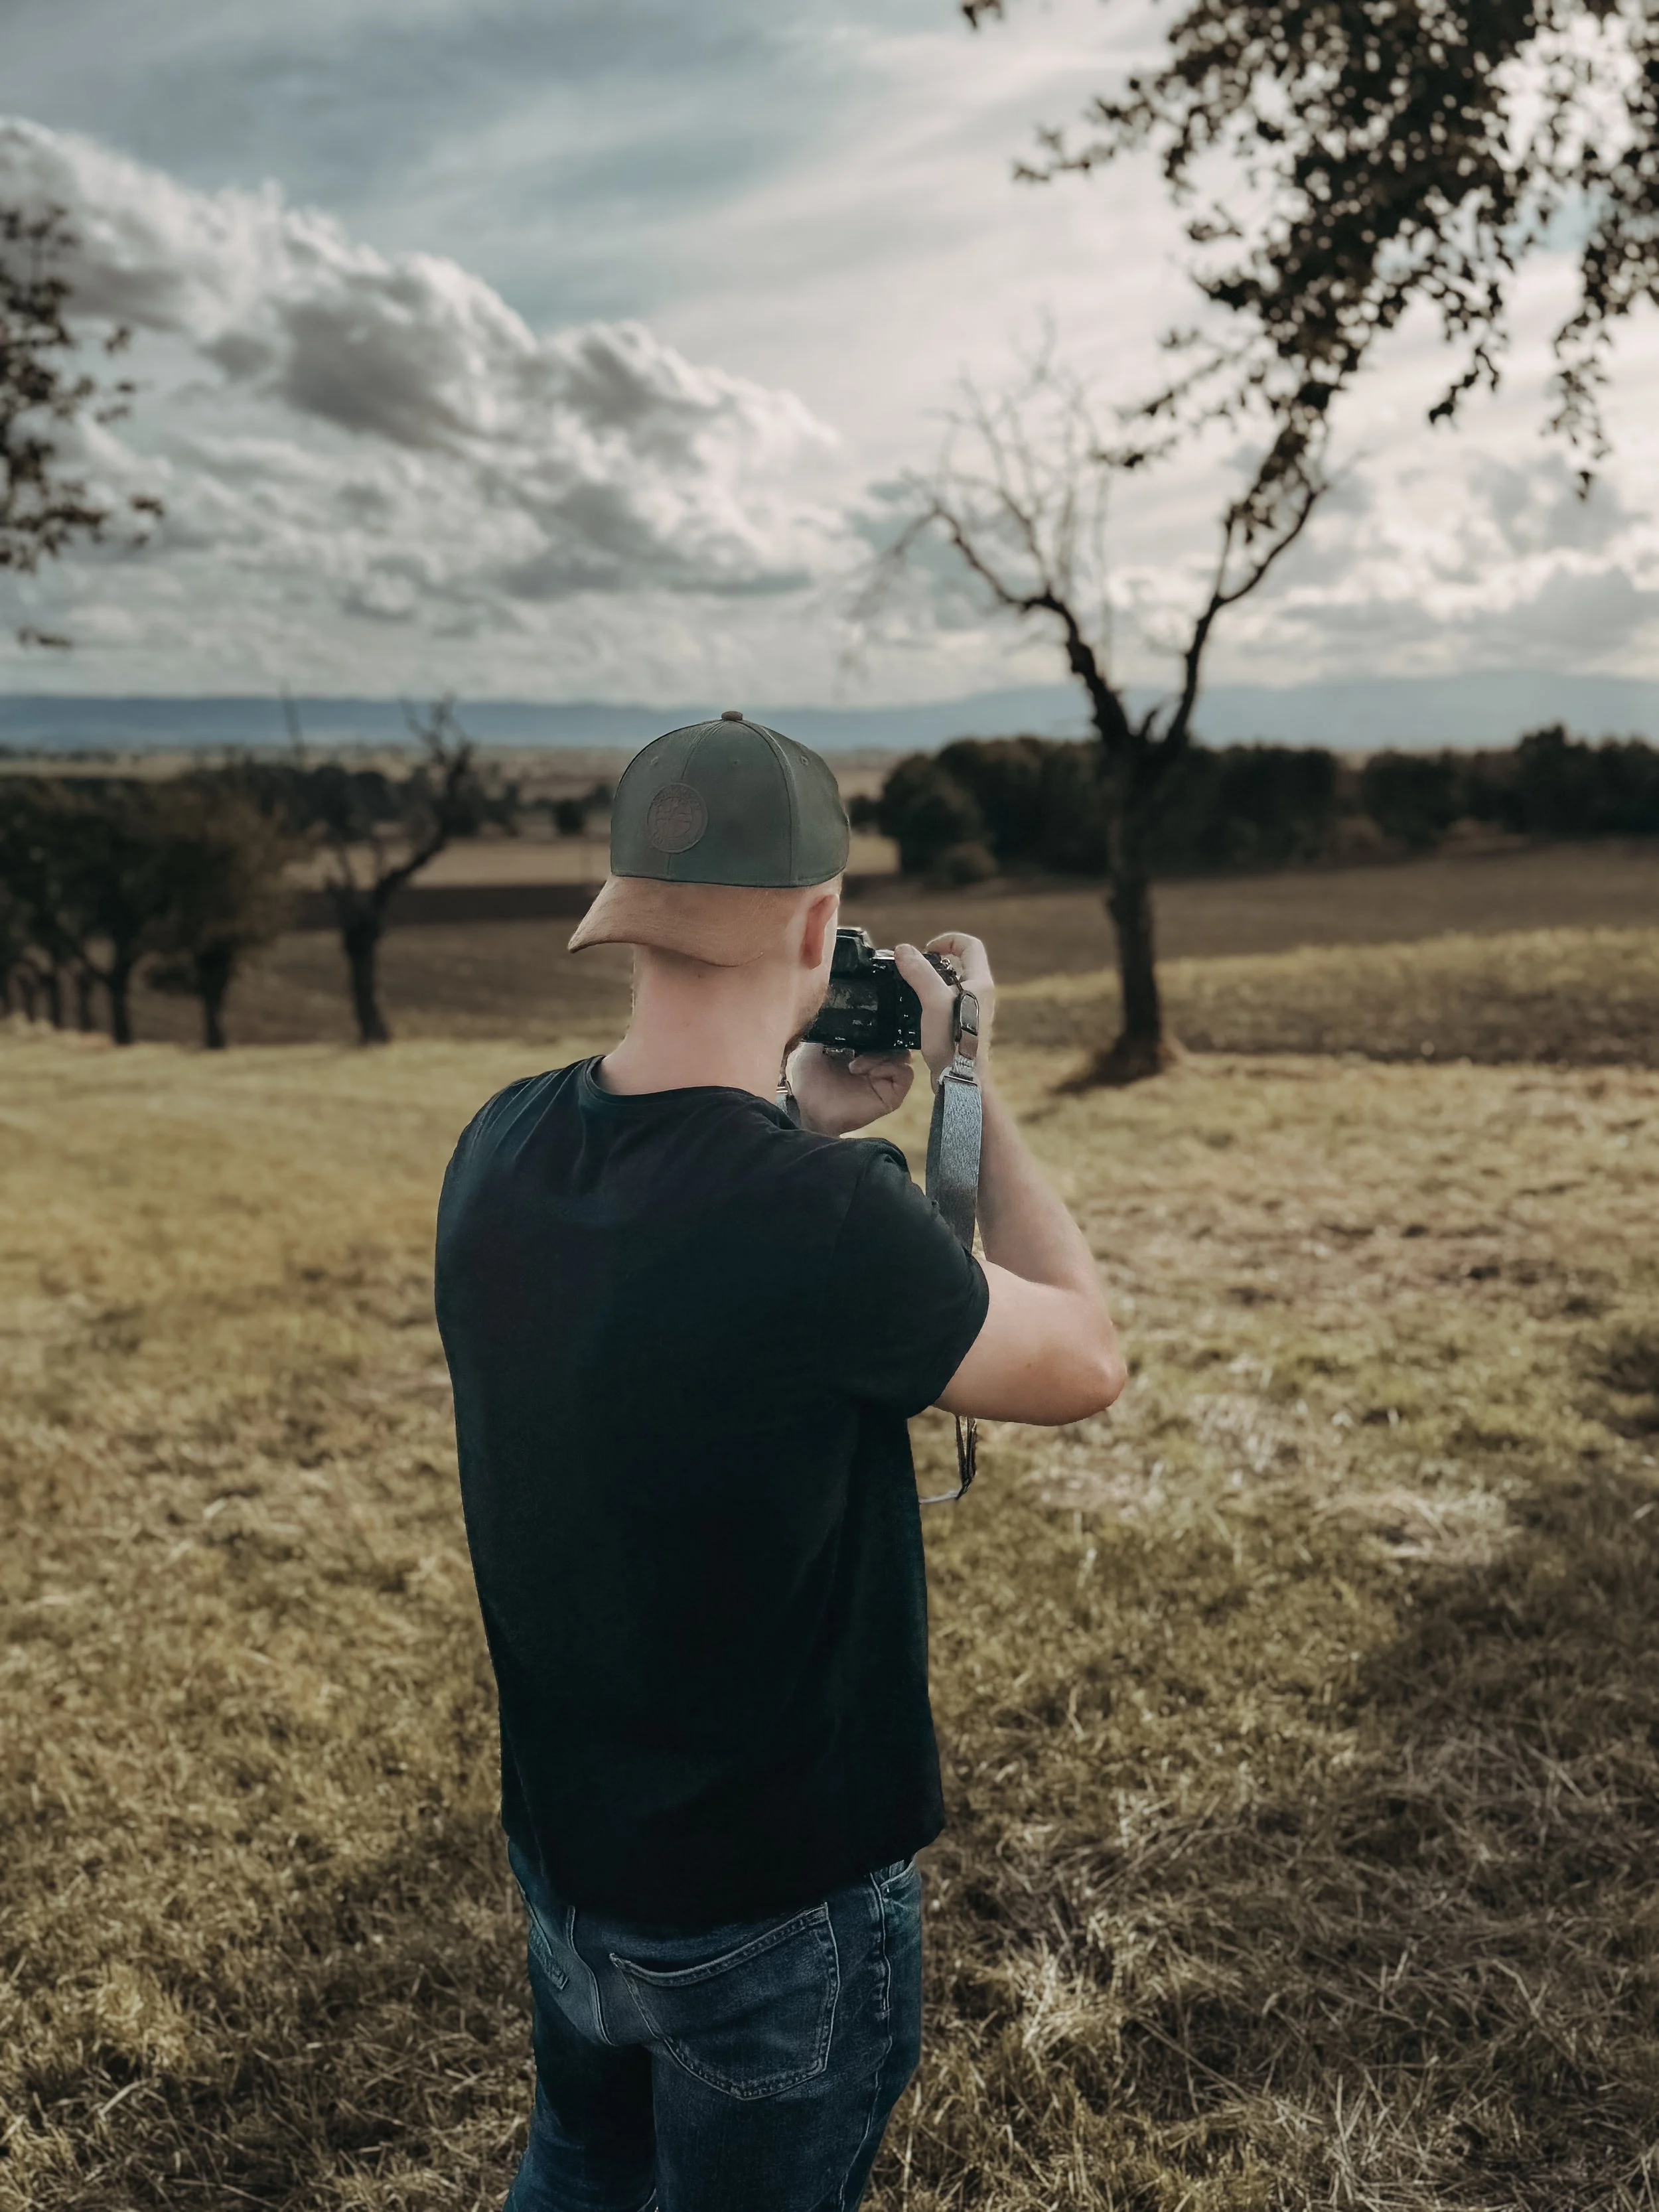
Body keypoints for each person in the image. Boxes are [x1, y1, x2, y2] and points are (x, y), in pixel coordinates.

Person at [435, 711, 1125, 2212]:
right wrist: (967, 1081)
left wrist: (799, 1118)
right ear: (821, 919)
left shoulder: (498, 1144)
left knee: (575, 2174)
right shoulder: (822, 1222)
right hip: (769, 1909)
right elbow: (1083, 1360)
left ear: (626, 908)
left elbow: (673, 1286)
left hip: (575, 1872)